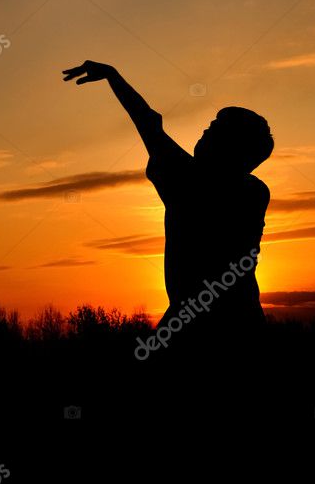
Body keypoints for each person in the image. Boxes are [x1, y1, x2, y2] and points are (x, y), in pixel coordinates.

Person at [63, 60, 273, 354]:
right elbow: (150, 123)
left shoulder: (190, 179)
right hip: (239, 319)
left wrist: (114, 76)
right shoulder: (253, 190)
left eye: (213, 130)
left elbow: (148, 123)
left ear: (229, 148)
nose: (204, 131)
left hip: (202, 323)